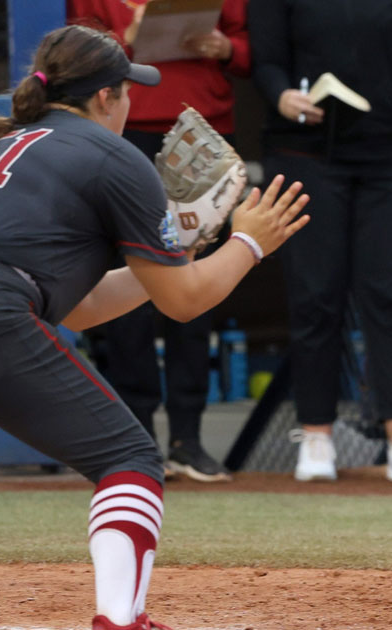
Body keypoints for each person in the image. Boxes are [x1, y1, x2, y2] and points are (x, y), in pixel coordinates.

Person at [0, 25, 308, 630]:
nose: (132, 102)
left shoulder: (2, 146)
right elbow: (183, 302)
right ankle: (120, 619)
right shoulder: (113, 156)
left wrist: (178, 244)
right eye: (127, 90)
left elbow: (79, 308)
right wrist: (248, 244)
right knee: (129, 457)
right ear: (105, 97)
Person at [249, 0, 392, 484]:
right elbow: (266, 61)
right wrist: (282, 97)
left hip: (387, 154)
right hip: (305, 152)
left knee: (387, 296)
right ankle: (316, 435)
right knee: (316, 295)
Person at [68, 0, 252, 483]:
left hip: (199, 129)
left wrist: (224, 47)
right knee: (124, 292)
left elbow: (255, 48)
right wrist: (120, 47)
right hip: (121, 134)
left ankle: (188, 440)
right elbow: (72, 50)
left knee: (192, 280)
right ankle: (137, 436)